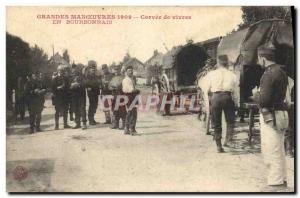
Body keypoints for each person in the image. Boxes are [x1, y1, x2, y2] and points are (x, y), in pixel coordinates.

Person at [254, 45, 289, 190]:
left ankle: (276, 184)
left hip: (271, 116)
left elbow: (264, 101)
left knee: (271, 149)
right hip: (281, 114)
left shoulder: (268, 74)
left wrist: (256, 94)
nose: (258, 62)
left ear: (263, 58)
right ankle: (282, 179)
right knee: (279, 149)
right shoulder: (281, 72)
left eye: (258, 59)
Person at [205, 55, 238, 152]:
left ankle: (218, 146)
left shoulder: (211, 74)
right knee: (230, 121)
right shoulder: (232, 75)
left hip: (216, 98)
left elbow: (207, 90)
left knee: (216, 123)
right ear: (227, 63)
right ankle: (228, 140)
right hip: (228, 97)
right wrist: (235, 102)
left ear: (218, 63)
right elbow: (235, 92)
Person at [52, 64, 71, 130]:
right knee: (57, 111)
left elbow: (68, 87)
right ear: (58, 71)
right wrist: (58, 88)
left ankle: (65, 124)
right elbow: (53, 89)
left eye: (63, 71)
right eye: (60, 71)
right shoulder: (55, 79)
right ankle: (56, 125)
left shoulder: (66, 78)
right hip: (58, 98)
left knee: (65, 111)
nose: (62, 72)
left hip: (65, 97)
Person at [122, 65, 140, 135]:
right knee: (133, 113)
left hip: (132, 96)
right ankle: (132, 129)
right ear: (126, 72)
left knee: (130, 113)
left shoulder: (131, 79)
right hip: (129, 96)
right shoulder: (126, 80)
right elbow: (130, 89)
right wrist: (136, 90)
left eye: (132, 70)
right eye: (129, 70)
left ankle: (127, 129)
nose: (131, 72)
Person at [70, 64, 87, 130]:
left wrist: (78, 84)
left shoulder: (82, 77)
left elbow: (85, 84)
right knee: (75, 109)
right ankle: (77, 123)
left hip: (81, 95)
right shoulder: (71, 78)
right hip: (74, 96)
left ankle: (84, 124)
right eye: (72, 69)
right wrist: (71, 86)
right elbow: (68, 86)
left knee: (82, 109)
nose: (73, 70)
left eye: (74, 69)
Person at [109, 64, 126, 130]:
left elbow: (125, 86)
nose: (116, 71)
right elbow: (109, 86)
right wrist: (111, 88)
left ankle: (124, 124)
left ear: (120, 70)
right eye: (115, 69)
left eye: (117, 69)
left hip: (121, 95)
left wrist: (119, 87)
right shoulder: (112, 78)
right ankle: (115, 124)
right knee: (114, 110)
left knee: (122, 110)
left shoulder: (123, 77)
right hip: (114, 95)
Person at [85, 60, 101, 125]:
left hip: (96, 92)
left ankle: (92, 119)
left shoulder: (96, 76)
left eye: (94, 69)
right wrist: (87, 87)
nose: (93, 70)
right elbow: (85, 83)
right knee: (92, 106)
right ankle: (90, 120)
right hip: (91, 93)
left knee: (95, 106)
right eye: (92, 69)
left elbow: (98, 82)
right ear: (89, 70)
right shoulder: (87, 76)